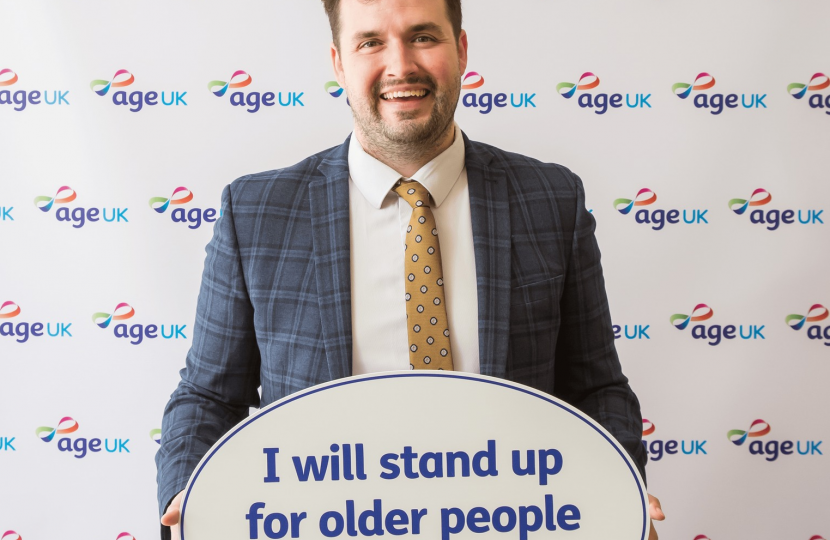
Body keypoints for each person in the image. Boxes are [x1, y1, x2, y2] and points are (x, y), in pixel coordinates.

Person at [156, 0, 665, 538]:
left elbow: (597, 390)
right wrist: (192, 494)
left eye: (423, 36)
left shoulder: (551, 199)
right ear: (339, 63)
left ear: (461, 50)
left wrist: (618, 494)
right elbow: (208, 396)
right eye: (371, 42)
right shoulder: (257, 212)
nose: (401, 65)